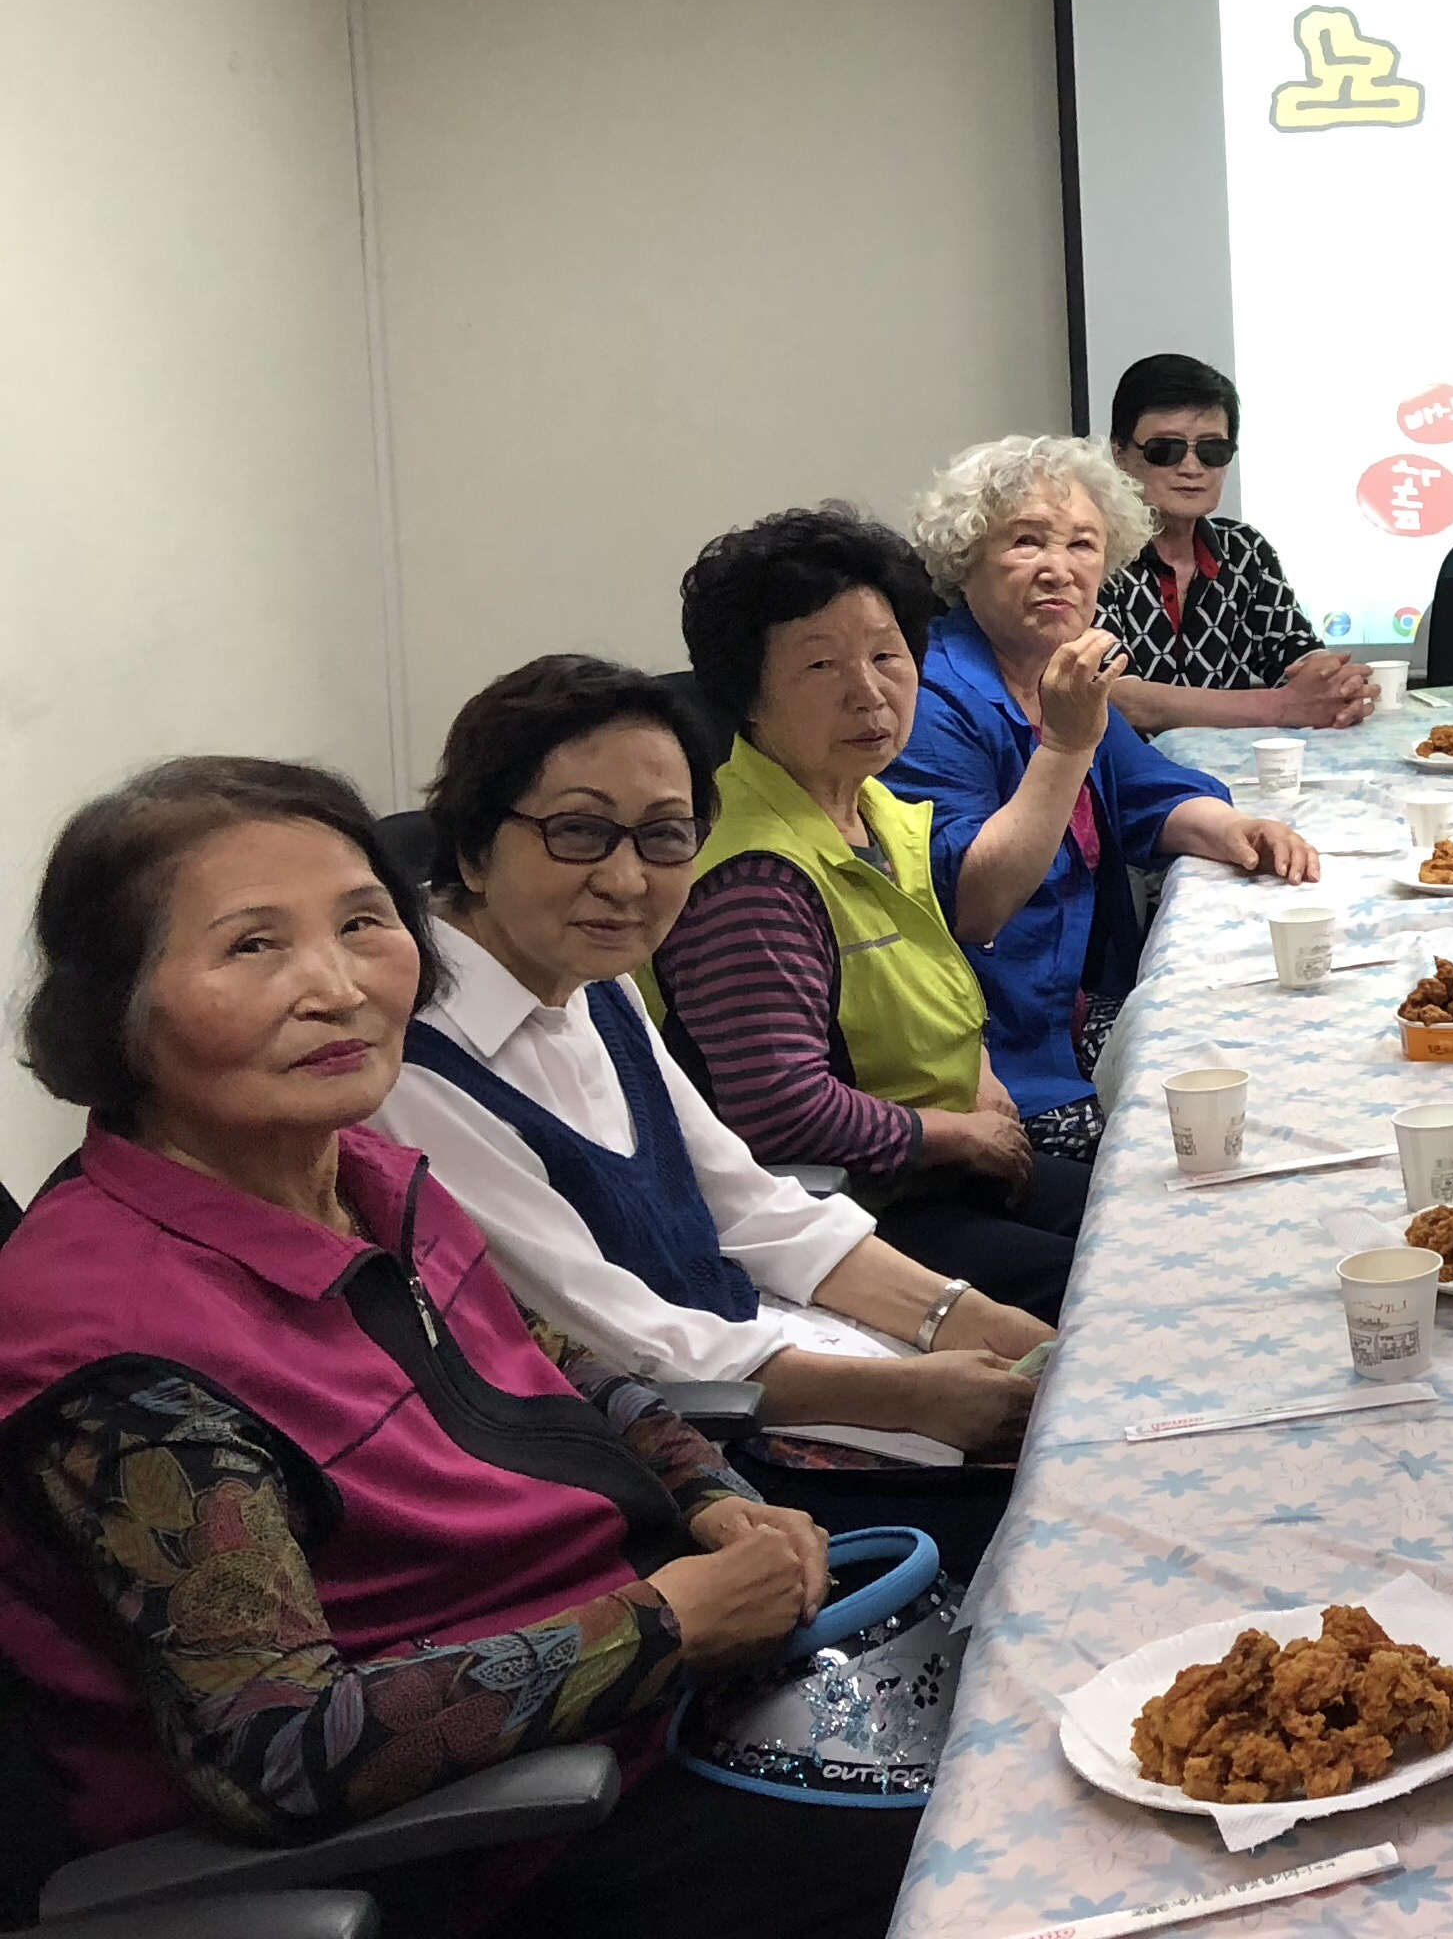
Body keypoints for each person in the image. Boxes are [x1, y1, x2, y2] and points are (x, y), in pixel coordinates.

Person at [0, 758, 907, 1939]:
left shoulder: (369, 1178)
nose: (338, 985)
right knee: (988, 1880)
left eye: (364, 922)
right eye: (254, 945)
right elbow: (278, 1749)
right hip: (469, 1894)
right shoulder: (120, 1350)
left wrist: (716, 1501)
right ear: (115, 1009)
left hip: (650, 1739)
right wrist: (666, 1624)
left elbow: (572, 1380)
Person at [376, 654, 1048, 1566]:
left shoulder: (590, 980)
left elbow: (748, 1202)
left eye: (663, 836)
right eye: (579, 833)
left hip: (777, 1357)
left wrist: (967, 1318)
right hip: (692, 1468)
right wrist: (912, 1396)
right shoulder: (410, 1070)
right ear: (472, 848)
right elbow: (612, 1335)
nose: (626, 880)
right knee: (1066, 1518)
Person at [647, 505, 1089, 1317]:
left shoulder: (870, 809)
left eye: (887, 655)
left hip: (939, 1168)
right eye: (821, 666)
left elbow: (928, 980)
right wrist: (954, 1134)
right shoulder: (754, 879)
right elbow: (780, 1112)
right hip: (846, 1214)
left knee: (1151, 1220)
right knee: (1113, 1292)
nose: (868, 692)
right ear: (746, 694)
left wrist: (979, 1076)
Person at [890, 434, 1318, 1125]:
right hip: (999, 1053)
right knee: (1204, 1133)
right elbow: (977, 902)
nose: (1059, 569)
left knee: (1280, 1058)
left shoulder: (1055, 673)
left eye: (1082, 545)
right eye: (1027, 542)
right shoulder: (929, 699)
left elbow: (1148, 793)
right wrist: (1065, 746)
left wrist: (1238, 829)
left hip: (1077, 1009)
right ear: (964, 561)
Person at [1100, 349, 1379, 738]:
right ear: (1120, 454)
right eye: (1166, 450)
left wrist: (1335, 685)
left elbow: (1296, 656)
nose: (1192, 468)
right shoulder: (1091, 553)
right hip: (1121, 773)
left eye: (1212, 451)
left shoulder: (1244, 550)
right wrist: (1282, 706)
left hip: (1234, 768)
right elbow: (1116, 697)